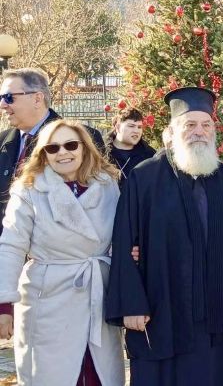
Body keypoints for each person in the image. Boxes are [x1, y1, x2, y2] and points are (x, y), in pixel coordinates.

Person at [105, 87, 223, 386]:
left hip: (217, 309)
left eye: (206, 125)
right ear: (172, 131)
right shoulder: (144, 177)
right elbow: (125, 241)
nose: (199, 132)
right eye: (189, 124)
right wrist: (131, 304)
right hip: (161, 308)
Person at [0, 120, 123, 385]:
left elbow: (123, 235)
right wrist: (4, 304)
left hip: (97, 295)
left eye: (70, 145)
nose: (63, 152)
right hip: (47, 298)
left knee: (97, 375)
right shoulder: (29, 189)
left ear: (84, 147)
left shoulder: (107, 185)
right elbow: (11, 245)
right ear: (43, 154)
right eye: (53, 148)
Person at [0, 68, 104, 234]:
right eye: (1, 98)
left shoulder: (81, 139)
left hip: (59, 246)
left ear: (37, 98)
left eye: (9, 97)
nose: (3, 105)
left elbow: (99, 202)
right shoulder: (3, 140)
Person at [106, 108, 155, 188]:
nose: (136, 131)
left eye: (139, 127)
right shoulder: (101, 153)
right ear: (118, 127)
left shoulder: (150, 155)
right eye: (131, 126)